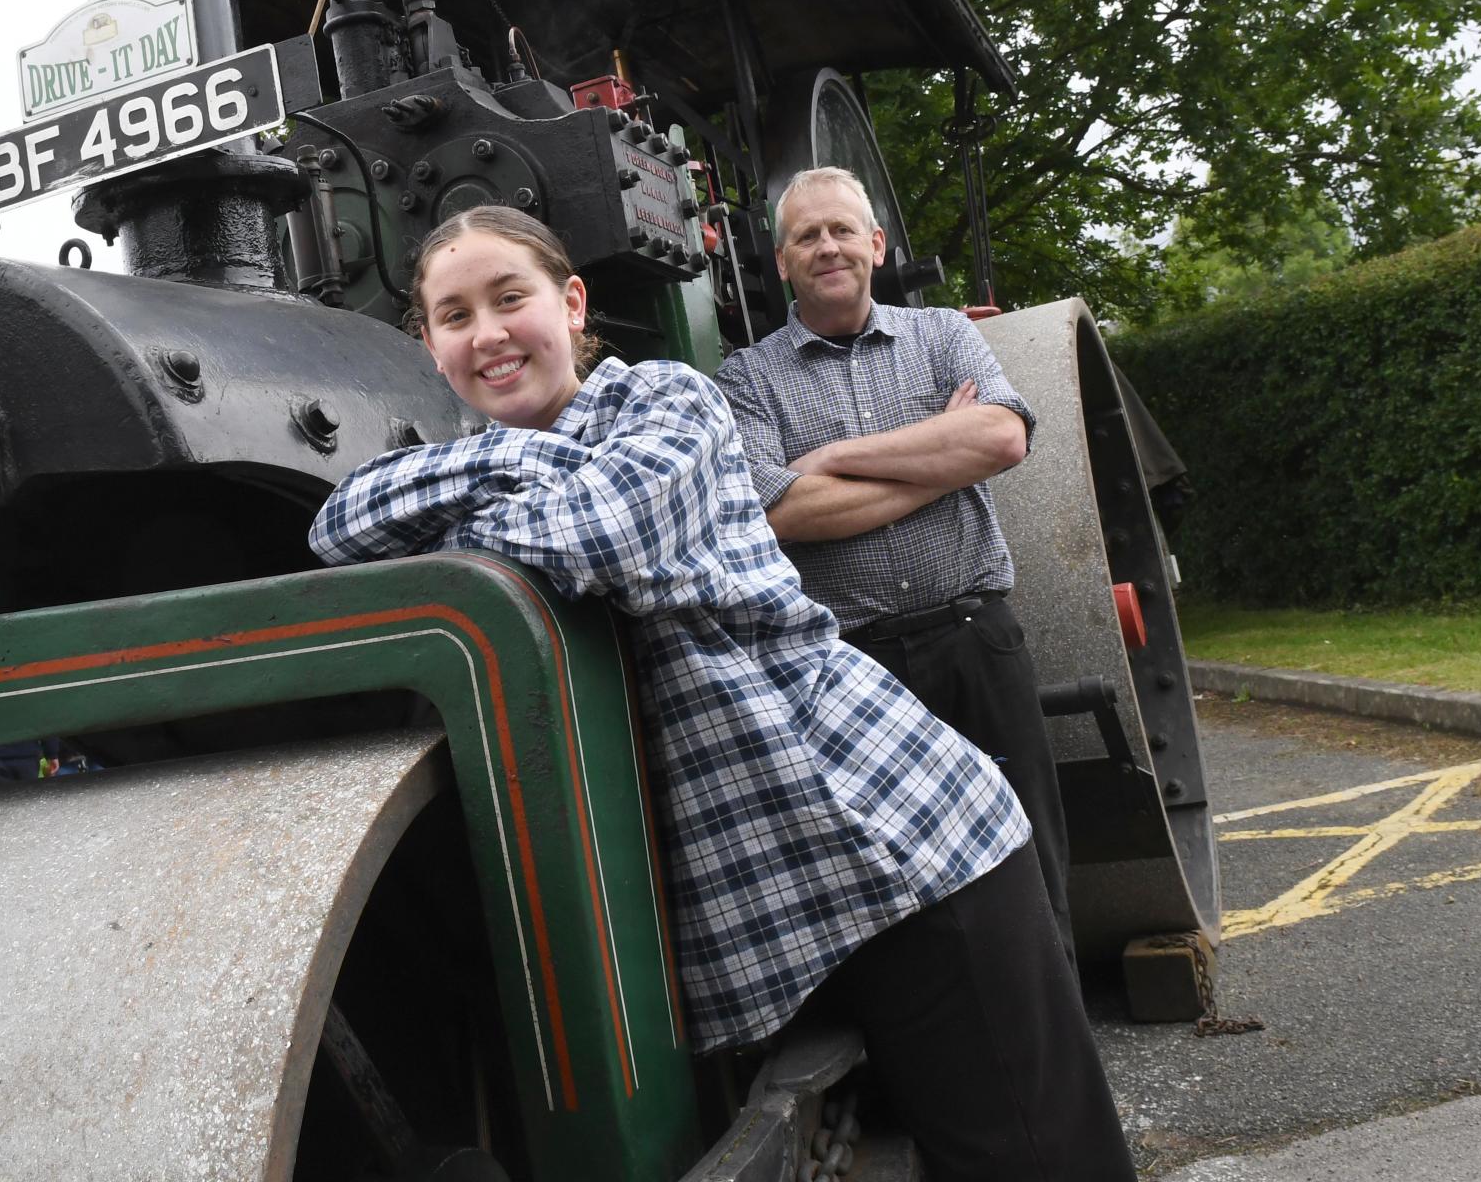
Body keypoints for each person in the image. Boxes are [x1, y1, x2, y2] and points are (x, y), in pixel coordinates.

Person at [308, 206, 1132, 1180]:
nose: (486, 333)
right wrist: (531, 465)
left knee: (1033, 1161)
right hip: (795, 902)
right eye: (454, 315)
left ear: (572, 304)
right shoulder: (526, 450)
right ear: (429, 344)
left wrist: (474, 490)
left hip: (905, 840)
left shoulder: (673, 401)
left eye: (509, 298)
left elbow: (595, 536)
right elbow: (339, 525)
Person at [715, 166, 1074, 960]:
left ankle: (1065, 1043)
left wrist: (833, 458)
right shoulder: (746, 376)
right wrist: (940, 461)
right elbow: (777, 514)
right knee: (896, 877)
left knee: (1030, 851)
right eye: (806, 235)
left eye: (842, 229)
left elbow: (1003, 439)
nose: (827, 246)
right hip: (856, 664)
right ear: (781, 262)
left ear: (875, 245)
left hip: (976, 640)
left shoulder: (943, 333)